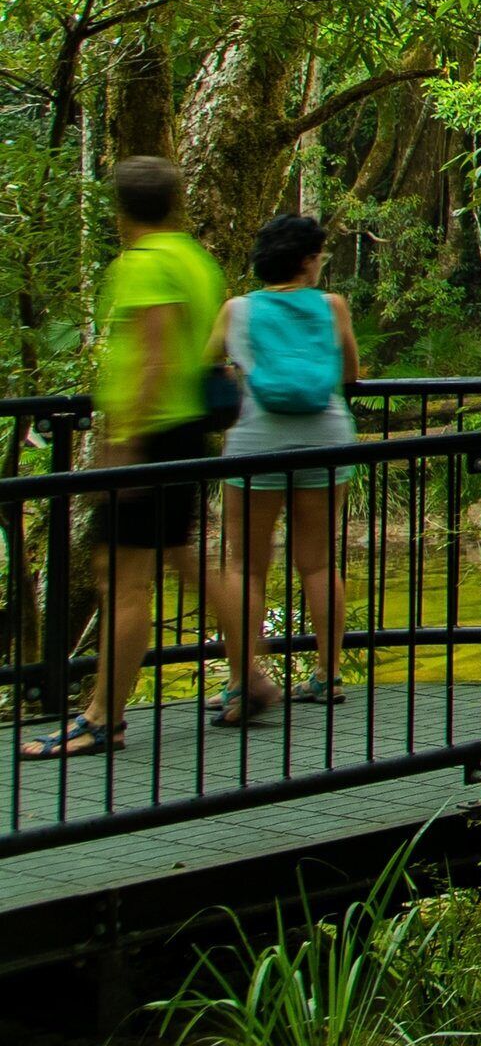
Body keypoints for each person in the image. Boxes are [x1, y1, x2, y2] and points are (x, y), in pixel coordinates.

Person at [23, 155, 267, 757]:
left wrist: (123, 441)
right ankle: (253, 676)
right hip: (183, 432)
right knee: (187, 560)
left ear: (120, 209)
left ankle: (102, 718)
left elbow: (155, 354)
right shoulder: (195, 259)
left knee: (123, 580)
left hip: (153, 434)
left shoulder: (145, 263)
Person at [223, 213, 364, 709]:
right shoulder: (332, 306)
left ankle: (243, 680)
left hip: (255, 443)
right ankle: (328, 675)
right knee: (319, 562)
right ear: (307, 261)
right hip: (325, 439)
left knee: (246, 566)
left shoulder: (236, 310)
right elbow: (350, 373)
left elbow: (207, 367)